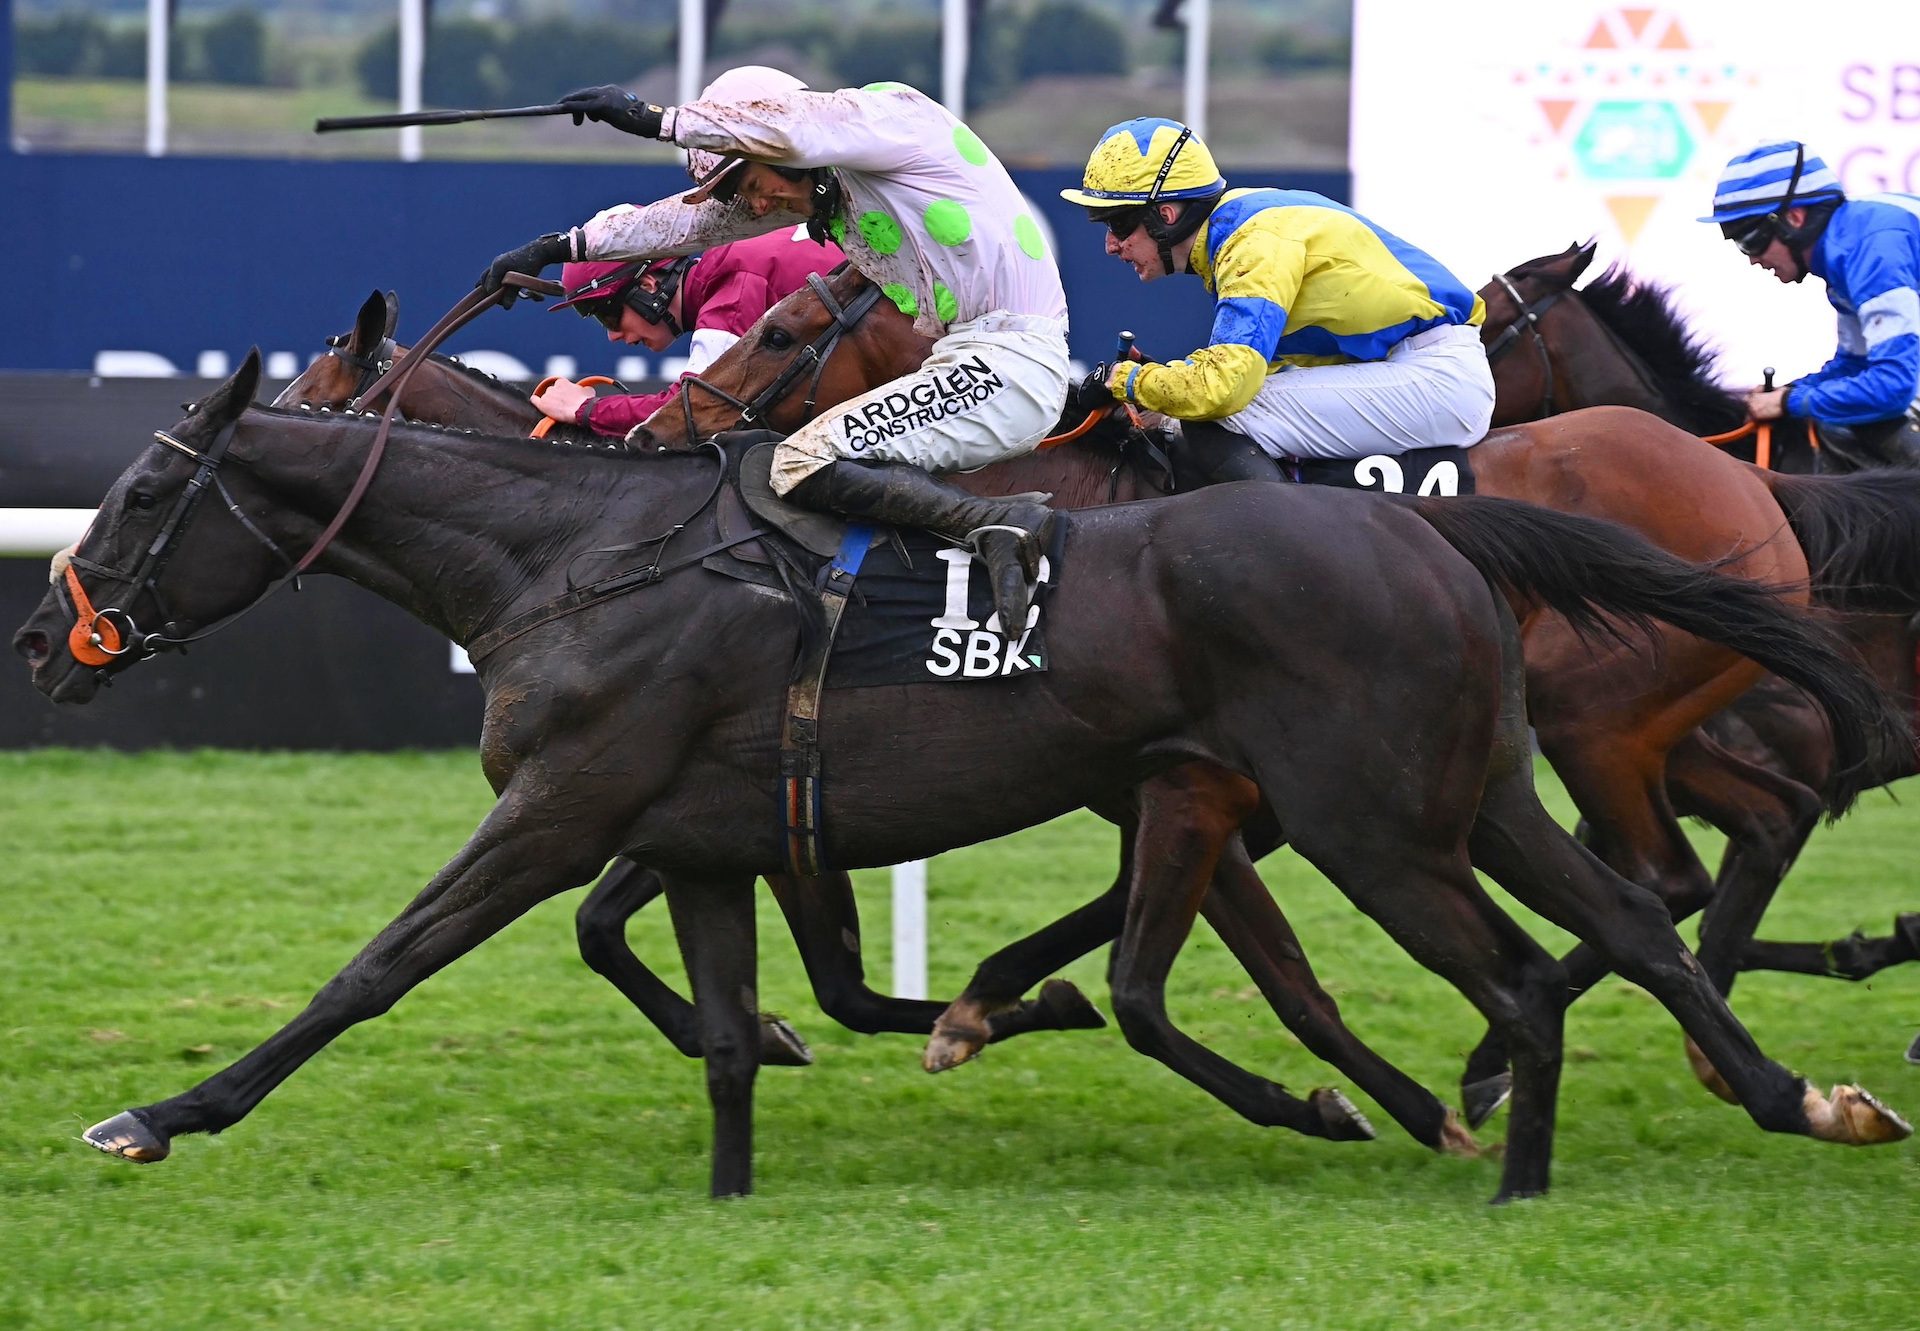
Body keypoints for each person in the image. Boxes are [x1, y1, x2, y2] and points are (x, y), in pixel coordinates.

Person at [477, 66, 1071, 635]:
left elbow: (792, 123)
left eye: (751, 184)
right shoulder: (836, 191)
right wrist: (559, 247)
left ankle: (1002, 522)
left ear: (787, 151)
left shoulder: (892, 117)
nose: (756, 206)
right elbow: (689, 227)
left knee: (799, 461)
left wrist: (652, 119)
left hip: (1006, 363)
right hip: (971, 360)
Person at [1058, 117, 1494, 486]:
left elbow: (1223, 390)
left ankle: (1285, 564)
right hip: (1415, 370)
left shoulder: (1252, 242)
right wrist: (1161, 382)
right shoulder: (1238, 228)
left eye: (1117, 224)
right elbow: (1251, 373)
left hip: (1436, 378)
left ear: (1164, 215)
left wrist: (1127, 380)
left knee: (1223, 419)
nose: (1111, 246)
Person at [1702, 140, 1920, 470]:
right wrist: (1791, 391)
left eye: (1750, 240)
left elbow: (1892, 389)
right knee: (1835, 420)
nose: (1753, 259)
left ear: (1794, 217)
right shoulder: (1845, 247)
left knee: (1867, 424)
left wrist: (1789, 403)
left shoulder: (1871, 249)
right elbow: (1854, 366)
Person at [535, 226, 845, 439]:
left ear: (648, 286)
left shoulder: (735, 283)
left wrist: (586, 410)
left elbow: (690, 412)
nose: (613, 336)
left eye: (609, 316)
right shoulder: (734, 258)